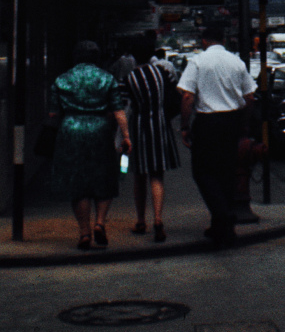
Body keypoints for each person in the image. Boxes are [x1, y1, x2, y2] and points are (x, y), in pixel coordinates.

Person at [178, 24, 257, 246]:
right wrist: (243, 124)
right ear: (223, 40)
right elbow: (250, 97)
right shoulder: (237, 62)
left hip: (208, 123)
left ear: (204, 41)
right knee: (226, 172)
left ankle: (223, 216)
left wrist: (185, 126)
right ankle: (221, 227)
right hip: (231, 121)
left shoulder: (198, 61)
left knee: (203, 172)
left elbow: (187, 97)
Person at [46, 40, 128, 251]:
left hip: (71, 130)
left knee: (77, 182)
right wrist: (126, 136)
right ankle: (100, 222)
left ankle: (84, 232)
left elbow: (53, 114)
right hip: (100, 130)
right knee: (105, 177)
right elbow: (119, 110)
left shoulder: (62, 79)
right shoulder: (107, 78)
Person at [112, 33, 179, 243]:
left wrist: (123, 135)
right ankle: (158, 219)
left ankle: (141, 221)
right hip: (160, 126)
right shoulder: (162, 73)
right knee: (157, 176)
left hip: (139, 127)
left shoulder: (129, 78)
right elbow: (173, 97)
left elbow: (123, 107)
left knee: (139, 176)